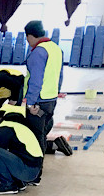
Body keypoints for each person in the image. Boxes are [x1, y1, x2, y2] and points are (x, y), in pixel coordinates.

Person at [24, 20, 71, 159]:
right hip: (51, 100)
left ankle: (36, 166)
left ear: (29, 36)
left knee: (36, 134)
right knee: (42, 131)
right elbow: (60, 75)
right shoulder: (56, 49)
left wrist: (30, 103)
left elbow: (36, 80)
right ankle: (54, 145)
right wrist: (56, 92)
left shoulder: (38, 52)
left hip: (38, 102)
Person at [0, 109, 43, 195]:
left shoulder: (0, 132)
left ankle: (8, 185)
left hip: (28, 170)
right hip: (34, 169)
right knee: (0, 153)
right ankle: (19, 183)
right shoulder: (10, 126)